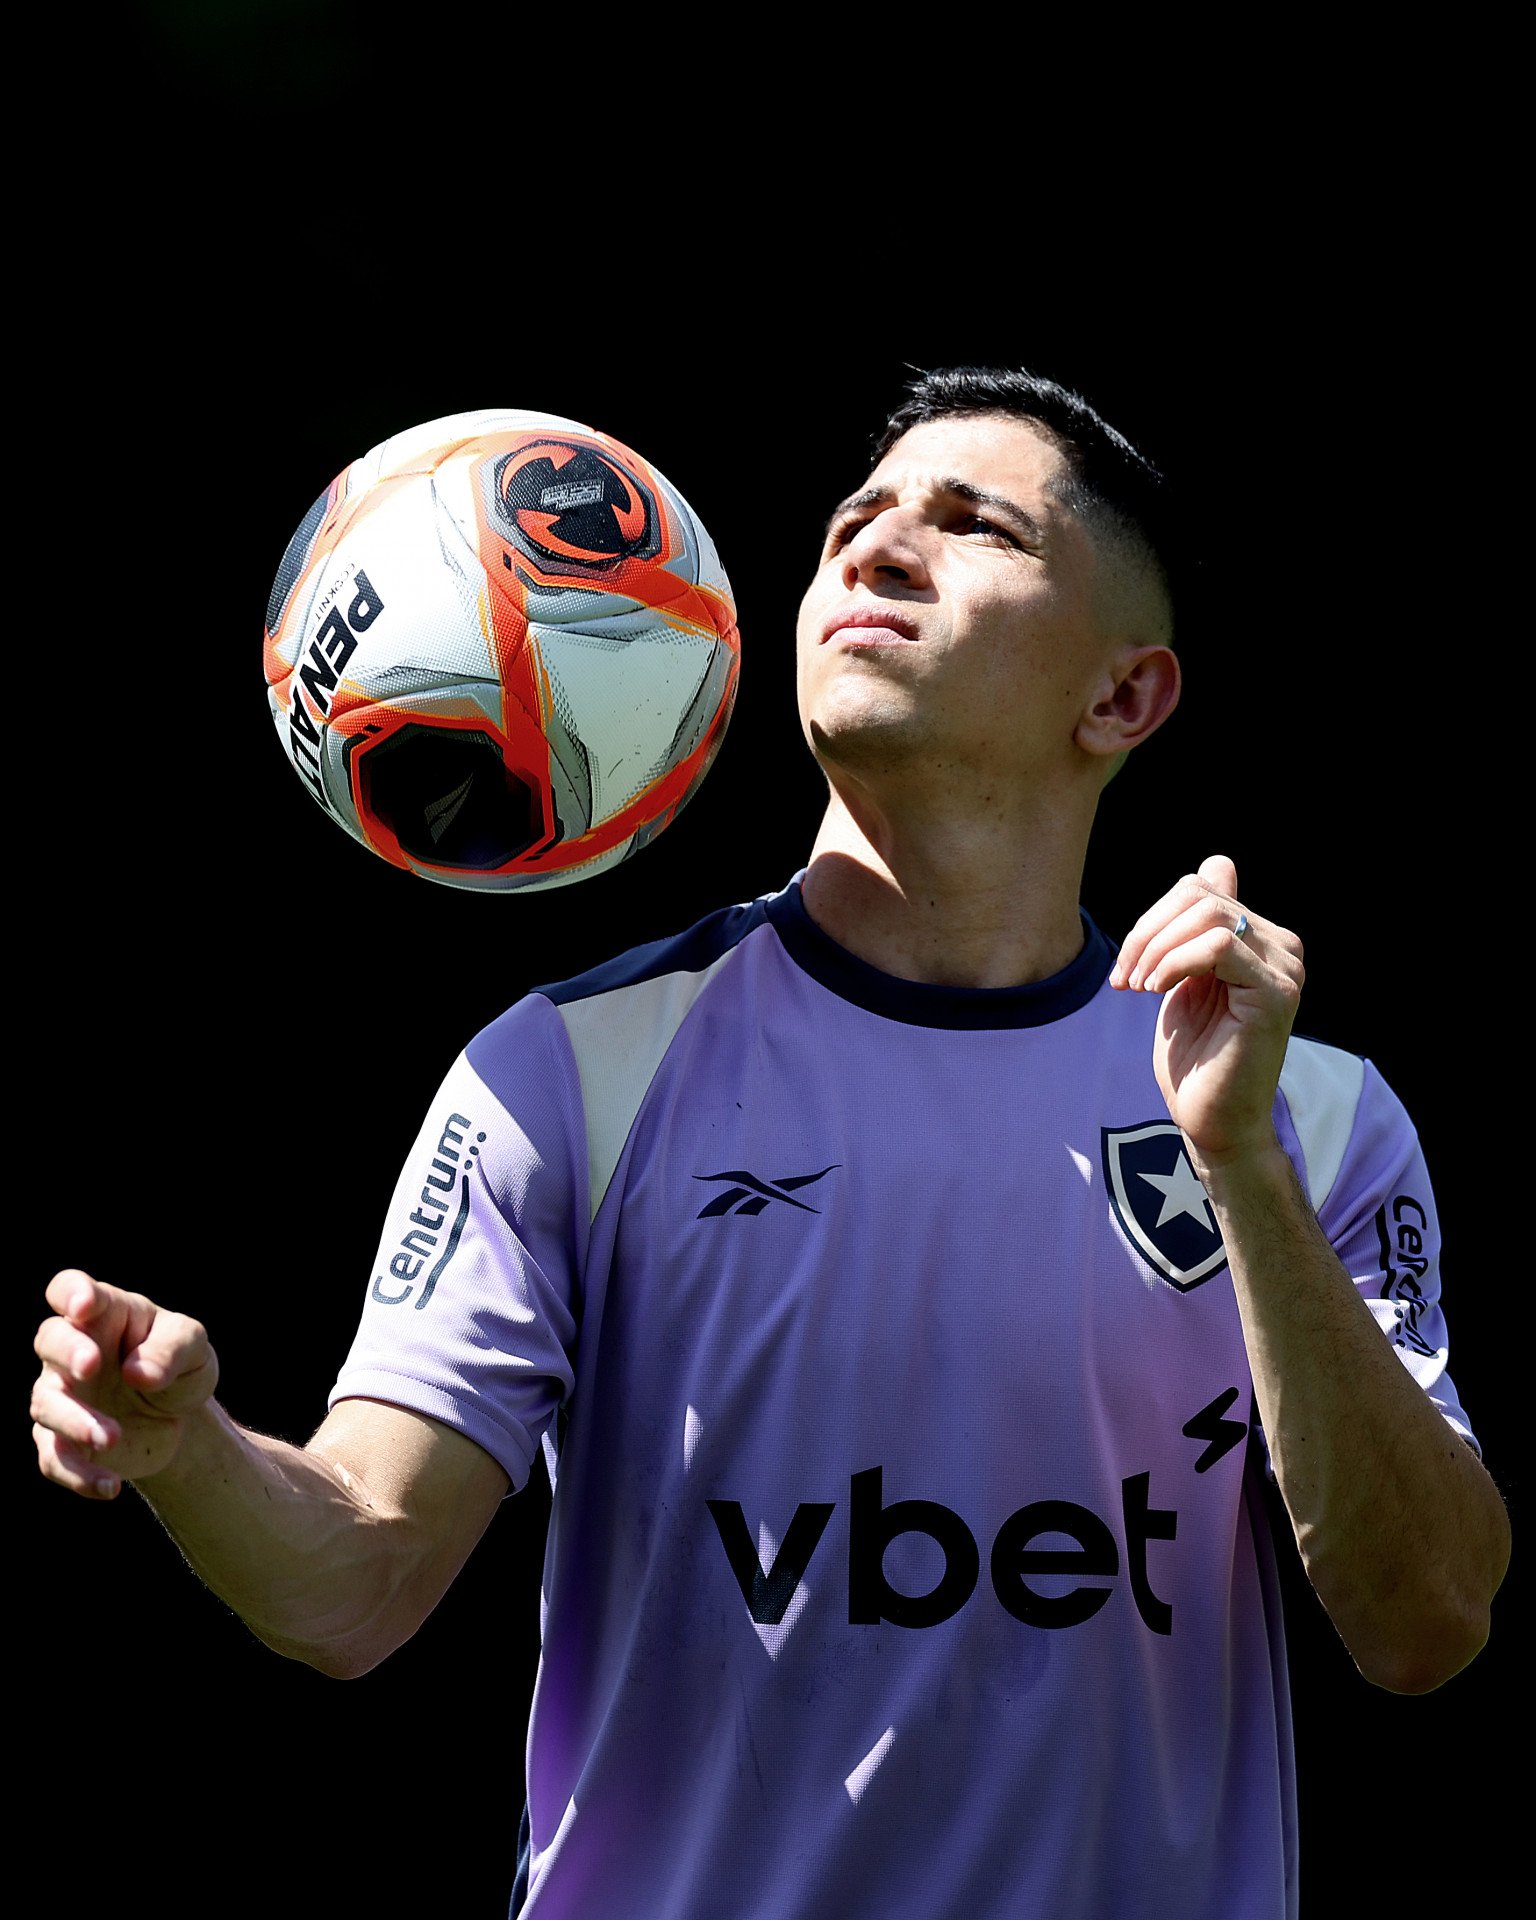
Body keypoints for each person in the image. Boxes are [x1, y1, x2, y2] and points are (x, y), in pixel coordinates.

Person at [30, 365, 1510, 1919]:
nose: (876, 545)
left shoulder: (1306, 1118)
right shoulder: (570, 1075)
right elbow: (356, 1582)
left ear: (1122, 698)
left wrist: (1247, 1177)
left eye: (976, 525)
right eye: (854, 520)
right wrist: (194, 1453)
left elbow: (1428, 1623)